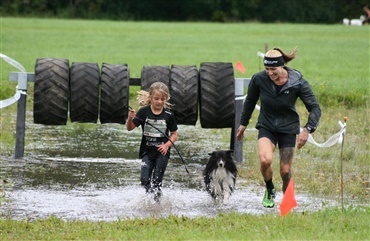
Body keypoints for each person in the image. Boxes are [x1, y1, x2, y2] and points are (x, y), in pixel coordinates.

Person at [236, 47, 321, 208]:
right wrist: (243, 124)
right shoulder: (259, 79)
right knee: (265, 160)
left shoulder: (297, 81)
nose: (270, 73)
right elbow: (250, 102)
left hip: (288, 128)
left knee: (285, 171)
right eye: (267, 69)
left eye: (273, 69)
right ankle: (269, 189)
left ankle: (288, 202)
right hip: (266, 125)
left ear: (282, 66)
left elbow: (315, 108)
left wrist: (307, 129)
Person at [126, 82, 178, 202]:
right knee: (144, 180)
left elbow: (174, 134)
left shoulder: (169, 115)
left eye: (162, 99)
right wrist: (130, 118)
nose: (159, 102)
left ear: (166, 99)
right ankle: (149, 202)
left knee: (156, 181)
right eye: (156, 98)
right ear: (150, 98)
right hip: (146, 152)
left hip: (162, 153)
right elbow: (130, 128)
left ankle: (156, 204)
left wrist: (166, 145)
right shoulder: (143, 112)